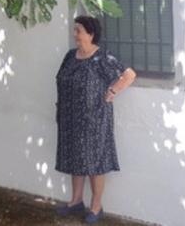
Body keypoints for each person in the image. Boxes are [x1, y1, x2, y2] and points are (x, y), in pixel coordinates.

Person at [54, 15, 137, 224]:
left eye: (79, 30)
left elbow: (129, 75)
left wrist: (112, 91)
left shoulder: (102, 57)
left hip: (94, 120)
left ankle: (96, 206)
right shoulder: (70, 56)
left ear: (91, 34)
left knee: (95, 163)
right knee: (75, 159)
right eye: (75, 30)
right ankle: (76, 201)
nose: (75, 34)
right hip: (70, 118)